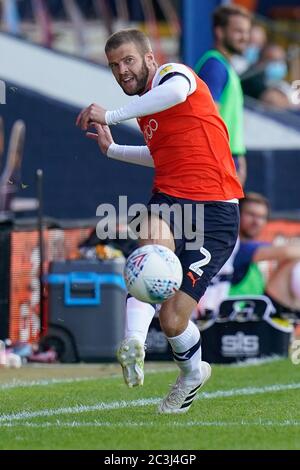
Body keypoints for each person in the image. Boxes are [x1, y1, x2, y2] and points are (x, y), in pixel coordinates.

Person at [76, 29, 243, 414]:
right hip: (170, 198)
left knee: (172, 319)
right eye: (114, 66)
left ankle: (191, 375)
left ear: (150, 58)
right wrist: (113, 149)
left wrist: (113, 115)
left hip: (215, 211)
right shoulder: (148, 109)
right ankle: (132, 341)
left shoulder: (173, 75)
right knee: (147, 251)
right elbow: (162, 156)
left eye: (129, 61)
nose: (122, 71)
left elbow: (178, 90)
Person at [194, 5, 251, 187]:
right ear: (219, 32)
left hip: (226, 159)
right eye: (238, 31)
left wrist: (238, 157)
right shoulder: (214, 66)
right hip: (218, 163)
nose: (245, 37)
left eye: (246, 32)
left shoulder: (222, 65)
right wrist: (227, 164)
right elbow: (207, 118)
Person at [230, 192, 300, 320]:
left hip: (255, 313)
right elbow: (286, 251)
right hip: (235, 316)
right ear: (238, 215)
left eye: (262, 217)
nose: (256, 222)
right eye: (251, 215)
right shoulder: (235, 246)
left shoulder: (256, 247)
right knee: (292, 263)